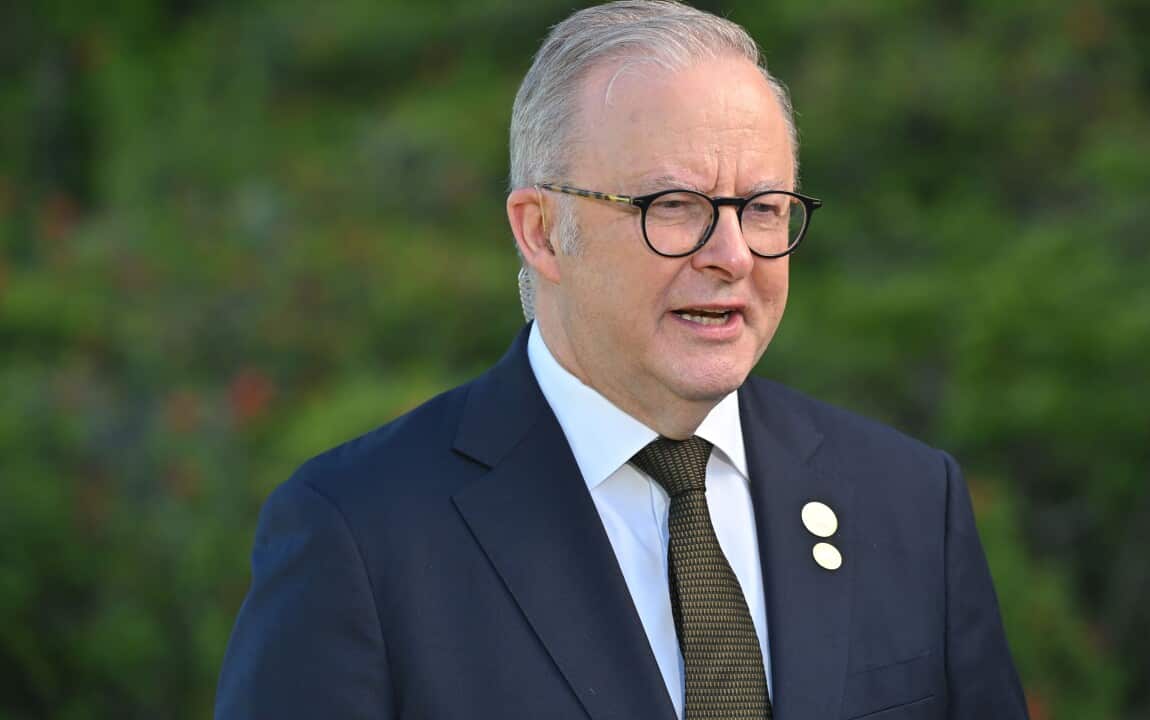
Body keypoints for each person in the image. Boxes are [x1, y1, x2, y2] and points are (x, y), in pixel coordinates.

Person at [214, 2, 1028, 718]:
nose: (731, 253)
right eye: (674, 207)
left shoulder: (911, 503)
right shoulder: (359, 534)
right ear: (540, 231)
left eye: (764, 209)